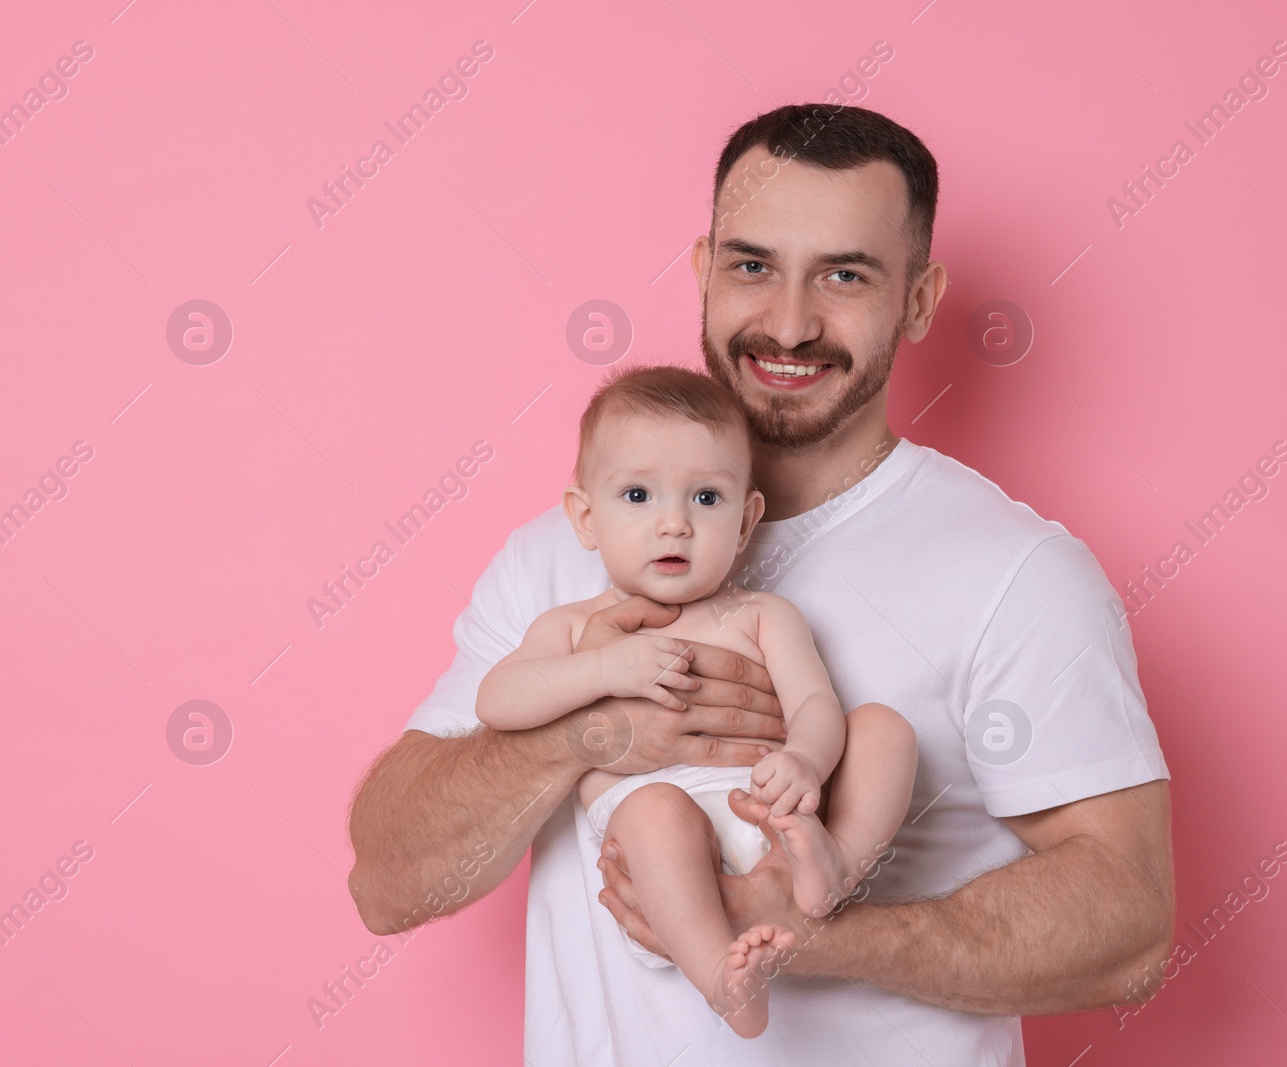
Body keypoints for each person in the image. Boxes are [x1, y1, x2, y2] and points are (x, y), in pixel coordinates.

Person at [348, 103, 1175, 1066]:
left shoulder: (1016, 572)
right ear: (702, 272)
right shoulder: (555, 556)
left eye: (844, 274)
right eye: (752, 265)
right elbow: (389, 883)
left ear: (917, 299)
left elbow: (1130, 927)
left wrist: (809, 940)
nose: (788, 323)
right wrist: (592, 732)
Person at [473, 363, 918, 1037]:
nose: (674, 524)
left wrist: (804, 758)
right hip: (662, 855)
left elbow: (815, 704)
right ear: (585, 517)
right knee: (657, 807)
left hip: (774, 820)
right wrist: (601, 667)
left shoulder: (762, 614)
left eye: (706, 499)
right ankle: (723, 974)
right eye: (639, 495)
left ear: (746, 521)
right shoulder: (571, 627)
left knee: (885, 729)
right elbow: (497, 699)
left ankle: (833, 868)